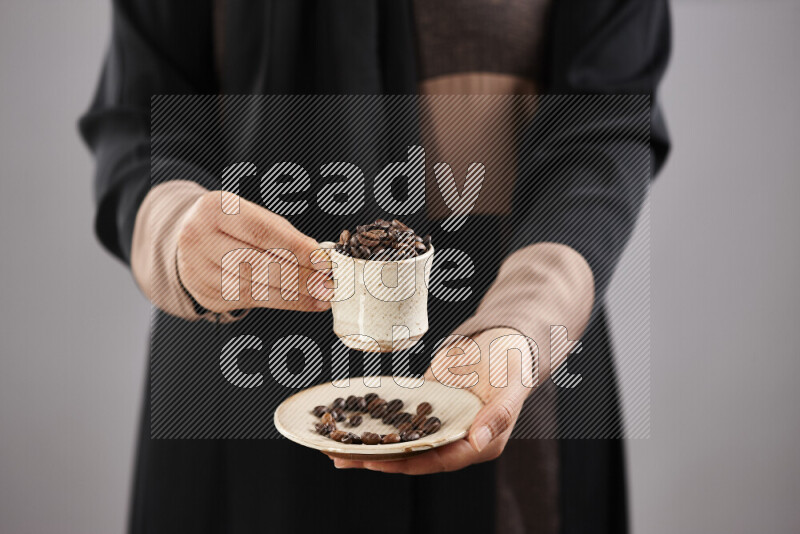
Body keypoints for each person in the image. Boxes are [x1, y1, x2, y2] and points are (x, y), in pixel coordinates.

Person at [80, 1, 670, 532]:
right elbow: (142, 110)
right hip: (236, 386)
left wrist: (528, 316)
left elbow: (605, 119)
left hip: (514, 376)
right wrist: (176, 229)